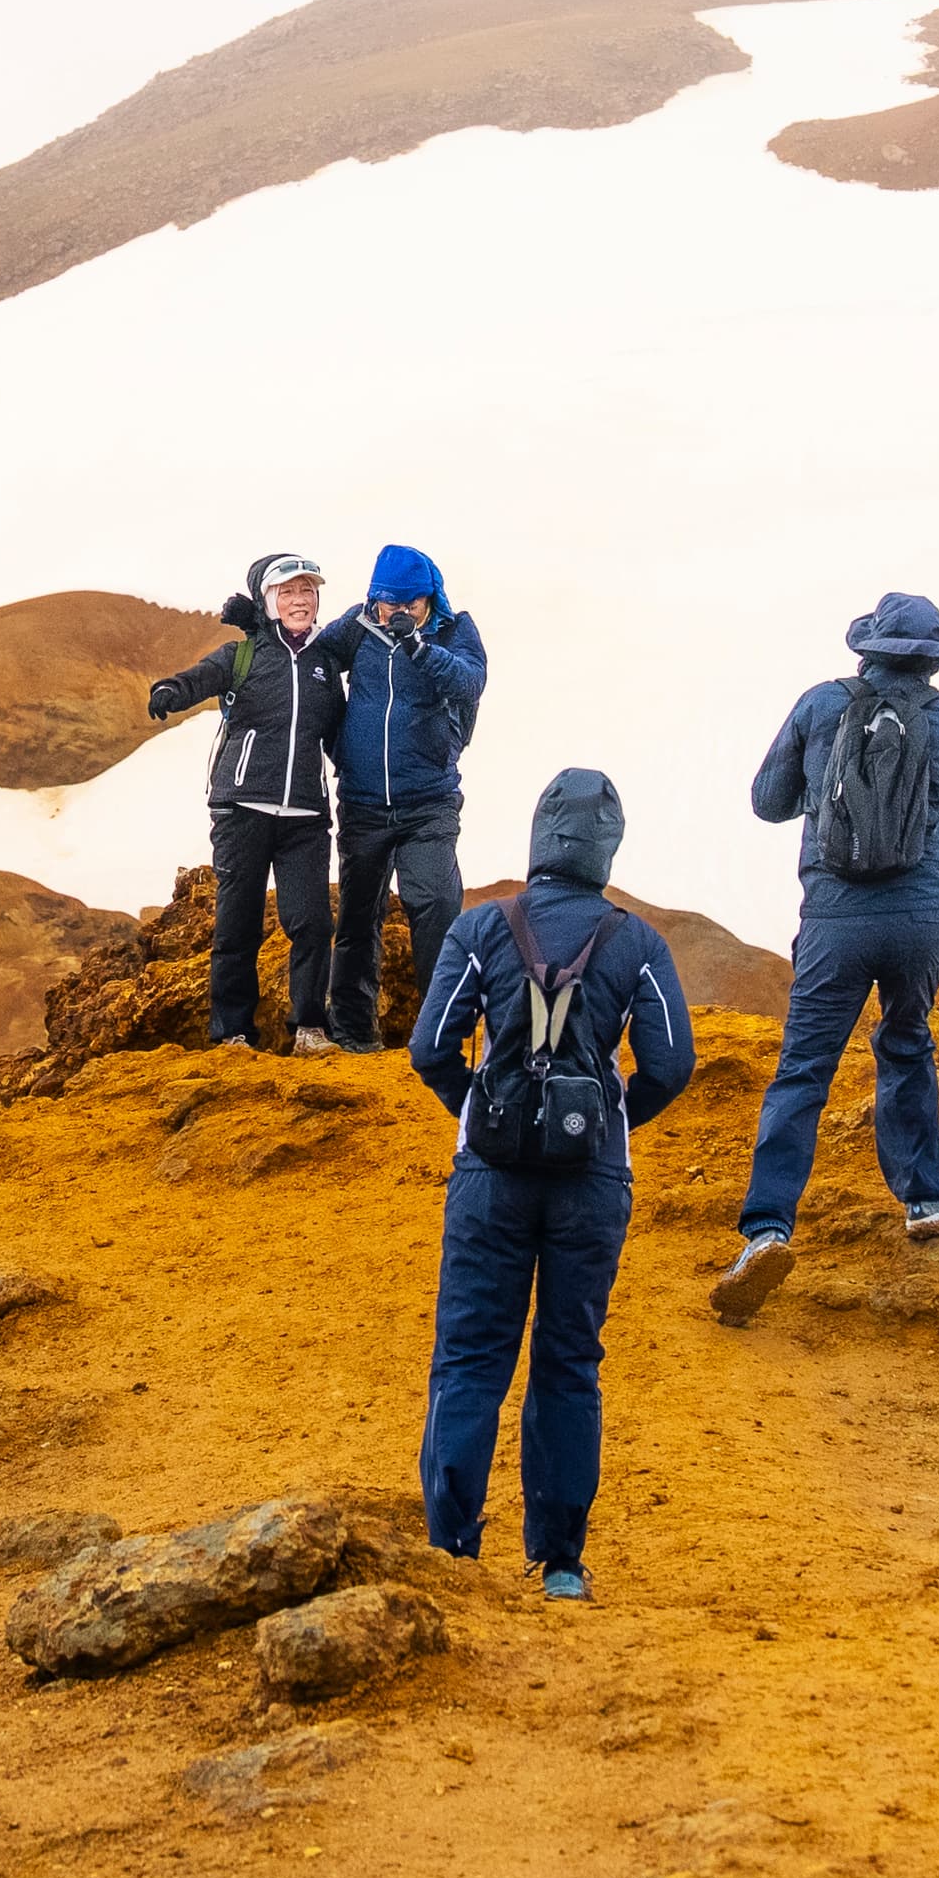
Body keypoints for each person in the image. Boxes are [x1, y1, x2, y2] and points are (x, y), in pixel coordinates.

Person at [407, 768, 694, 1600]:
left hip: (489, 1179)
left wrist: (476, 1108)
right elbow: (672, 1064)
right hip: (591, 1183)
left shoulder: (481, 929)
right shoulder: (637, 942)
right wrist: (612, 1122)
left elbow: (430, 1048)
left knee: (468, 1360)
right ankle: (561, 1563)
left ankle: (452, 1551)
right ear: (606, 848)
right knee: (569, 1363)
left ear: (539, 838)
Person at [709, 592, 939, 1326]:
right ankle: (925, 1199)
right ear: (936, 660)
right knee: (906, 1042)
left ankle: (767, 1229)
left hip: (836, 919)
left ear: (865, 646)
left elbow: (768, 802)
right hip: (921, 919)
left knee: (804, 1069)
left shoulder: (819, 705)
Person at [146, 552, 347, 1051]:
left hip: (304, 814)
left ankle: (309, 1028)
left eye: (308, 591)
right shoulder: (244, 654)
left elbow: (340, 735)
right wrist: (170, 690)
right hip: (242, 809)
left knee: (313, 923)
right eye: (288, 591)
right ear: (267, 600)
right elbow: (200, 678)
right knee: (237, 925)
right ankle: (232, 1032)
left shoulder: (325, 663)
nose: (300, 600)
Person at [317, 544, 487, 1053]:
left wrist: (418, 646)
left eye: (407, 603)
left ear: (427, 598)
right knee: (357, 915)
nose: (394, 612)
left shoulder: (454, 631)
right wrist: (338, 743)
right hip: (364, 801)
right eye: (386, 602)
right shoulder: (358, 625)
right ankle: (352, 1032)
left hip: (429, 800)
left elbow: (471, 682)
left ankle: (443, 1033)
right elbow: (314, 660)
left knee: (434, 904)